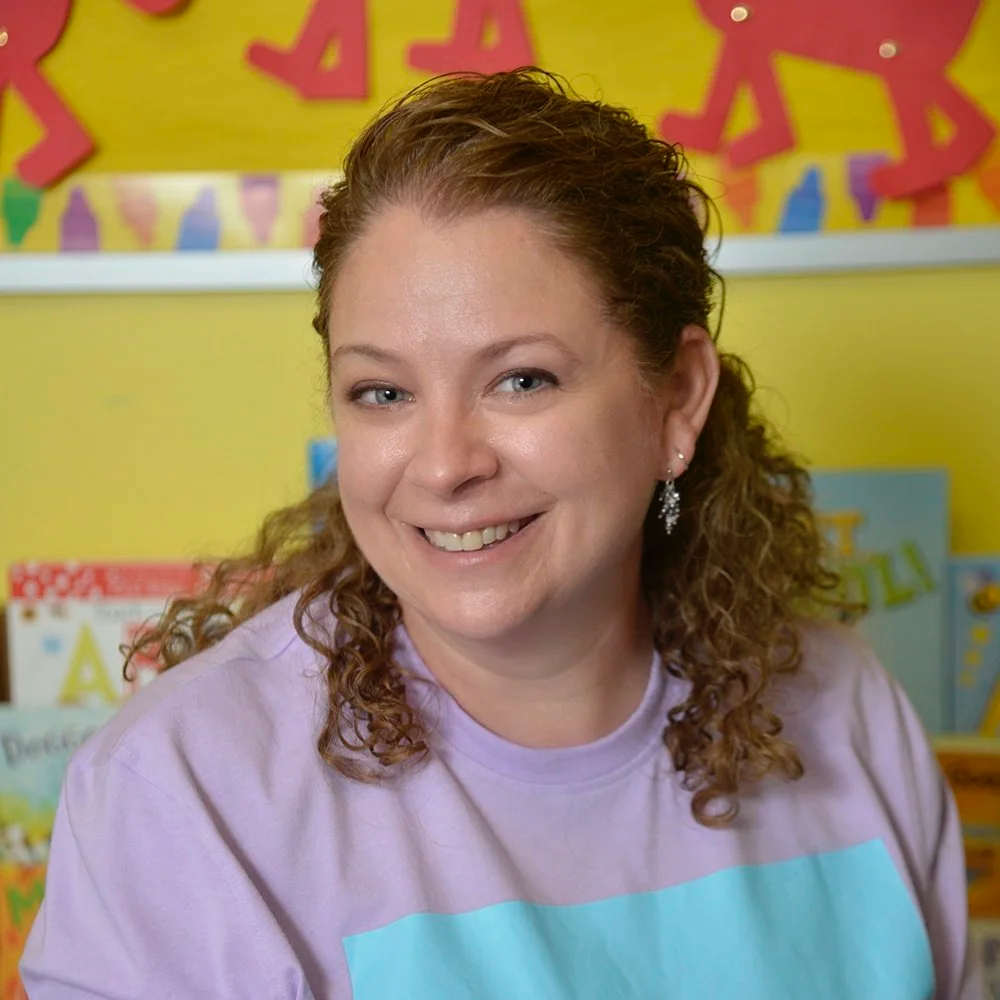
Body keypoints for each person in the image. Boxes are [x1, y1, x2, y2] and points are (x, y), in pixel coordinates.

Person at [22, 68, 977, 999]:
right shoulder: (183, 797)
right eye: (383, 392)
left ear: (676, 400)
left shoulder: (849, 715)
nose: (444, 464)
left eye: (522, 379)